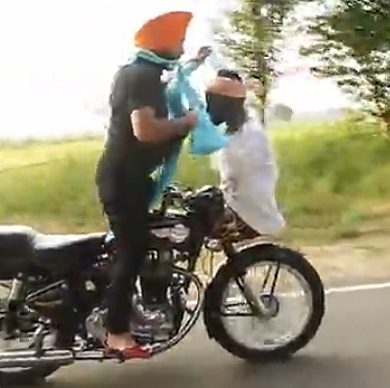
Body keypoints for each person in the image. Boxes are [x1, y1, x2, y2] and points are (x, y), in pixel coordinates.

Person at [94, 10, 210, 360]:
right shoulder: (141, 76)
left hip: (130, 177)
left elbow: (170, 83)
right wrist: (185, 123)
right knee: (133, 250)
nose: (182, 46)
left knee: (140, 244)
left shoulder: (140, 71)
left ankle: (136, 308)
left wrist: (195, 62)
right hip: (124, 179)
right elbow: (145, 130)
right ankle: (116, 332)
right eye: (179, 42)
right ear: (163, 44)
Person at [205, 69, 286, 240]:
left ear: (227, 105)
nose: (209, 110)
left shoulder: (250, 135)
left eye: (213, 103)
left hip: (249, 210)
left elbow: (248, 184)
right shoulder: (234, 132)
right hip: (240, 204)